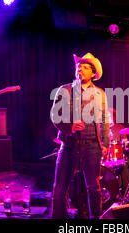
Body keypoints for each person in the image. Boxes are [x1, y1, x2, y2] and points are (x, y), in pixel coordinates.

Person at [50, 52, 110, 219]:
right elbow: (55, 116)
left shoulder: (100, 94)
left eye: (85, 67)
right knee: (60, 188)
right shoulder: (64, 90)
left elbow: (105, 119)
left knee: (93, 188)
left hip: (92, 145)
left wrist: (105, 144)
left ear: (93, 73)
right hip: (69, 144)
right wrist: (69, 126)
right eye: (78, 67)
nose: (80, 70)